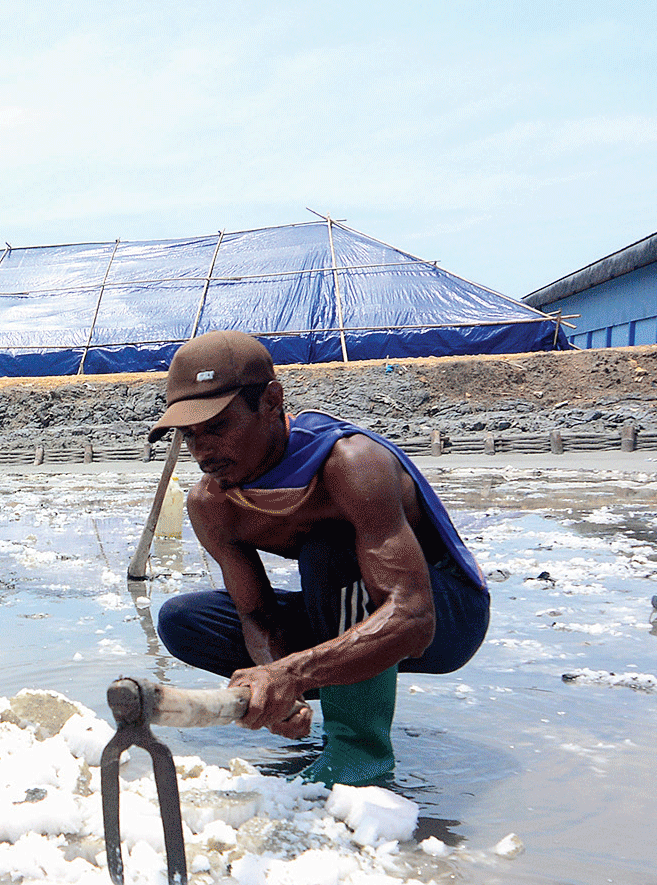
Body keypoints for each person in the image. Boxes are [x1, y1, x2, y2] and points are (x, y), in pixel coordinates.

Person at [150, 331, 489, 786]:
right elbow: (256, 613)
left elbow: (413, 614)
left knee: (328, 549)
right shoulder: (211, 502)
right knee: (184, 619)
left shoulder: (350, 463)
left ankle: (357, 751)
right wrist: (277, 683)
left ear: (271, 401)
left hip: (441, 615)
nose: (203, 451)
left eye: (216, 427)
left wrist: (292, 670)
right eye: (189, 435)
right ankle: (321, 696)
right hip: (346, 606)